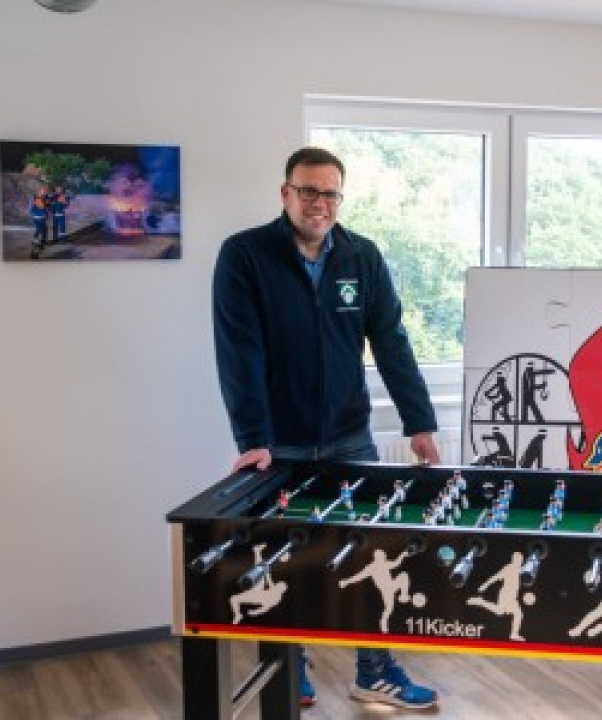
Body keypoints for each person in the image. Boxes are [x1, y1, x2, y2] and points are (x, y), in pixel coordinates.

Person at [212, 146, 440, 711]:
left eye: (330, 193)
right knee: (282, 561)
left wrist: (420, 422)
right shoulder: (245, 255)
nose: (319, 203)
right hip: (279, 444)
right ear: (285, 193)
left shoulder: (362, 256)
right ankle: (288, 667)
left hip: (348, 437)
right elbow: (239, 352)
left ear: (340, 197)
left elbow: (391, 343)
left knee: (369, 555)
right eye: (308, 191)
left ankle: (375, 672)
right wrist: (252, 439)